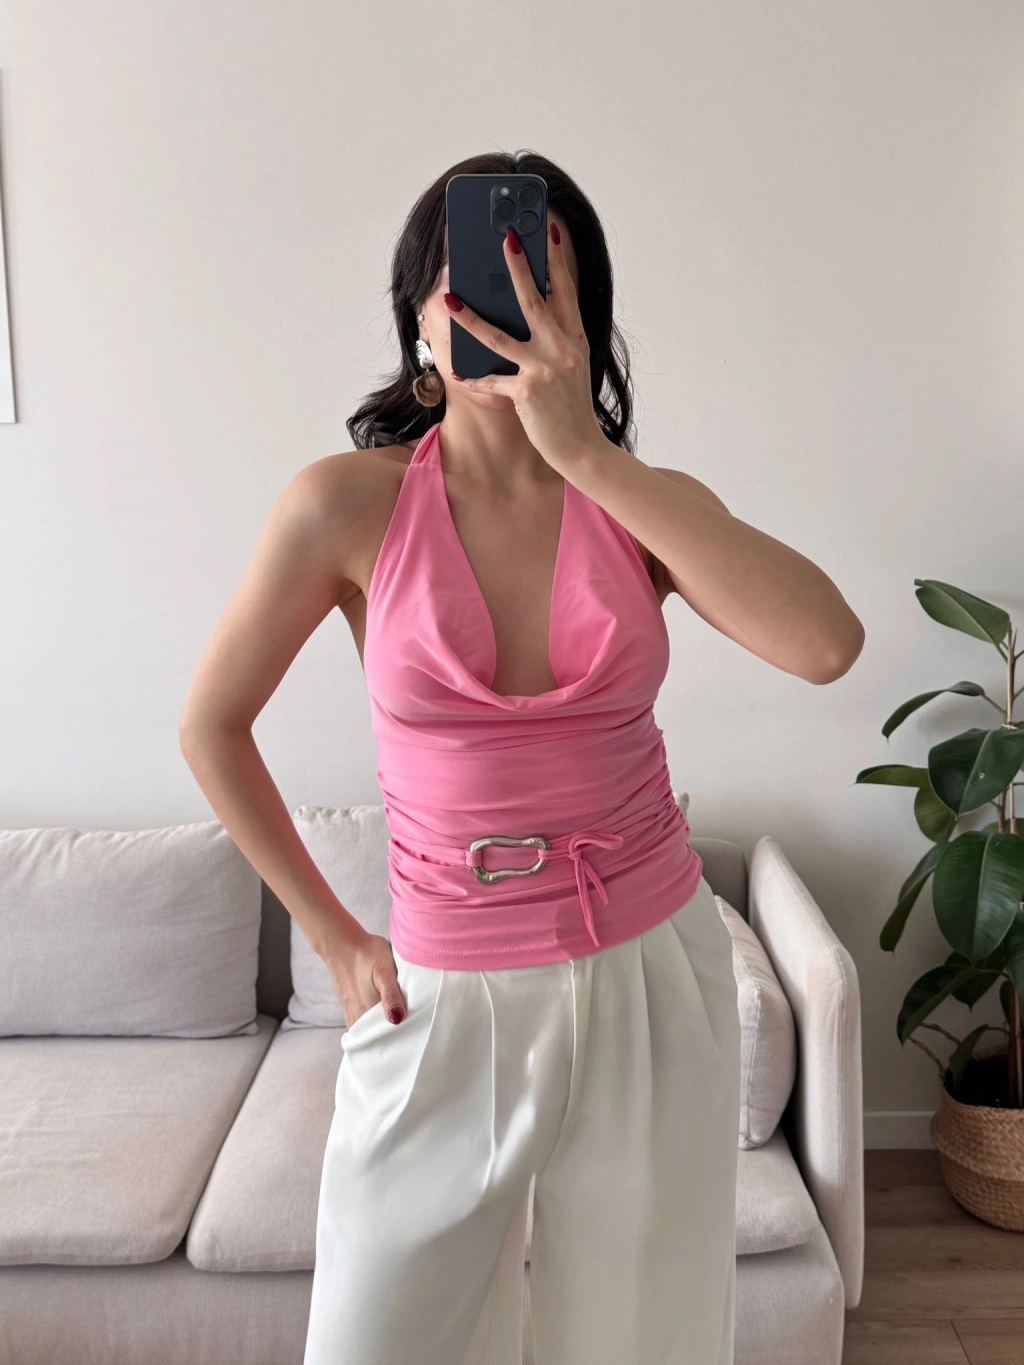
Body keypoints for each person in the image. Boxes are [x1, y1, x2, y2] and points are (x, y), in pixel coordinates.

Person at [179, 150, 864, 1365]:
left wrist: (588, 455)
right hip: (440, 982)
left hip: (652, 968)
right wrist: (333, 938)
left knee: (645, 1342)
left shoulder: (636, 503)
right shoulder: (344, 507)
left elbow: (826, 645)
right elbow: (211, 726)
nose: (508, 313)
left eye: (541, 286)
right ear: (419, 317)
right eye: (476, 285)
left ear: (583, 321)